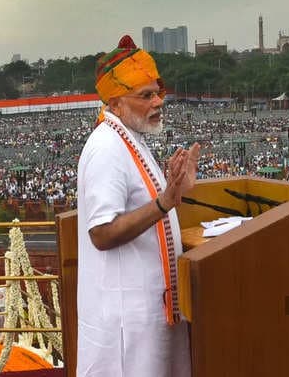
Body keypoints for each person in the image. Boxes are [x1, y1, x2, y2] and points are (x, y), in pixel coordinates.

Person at [76, 35, 200, 377]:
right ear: (115, 103)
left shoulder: (130, 138)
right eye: (145, 95)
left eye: (158, 91)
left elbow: (155, 211)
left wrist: (179, 193)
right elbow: (101, 233)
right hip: (127, 322)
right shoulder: (107, 149)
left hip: (150, 313)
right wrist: (163, 203)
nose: (158, 101)